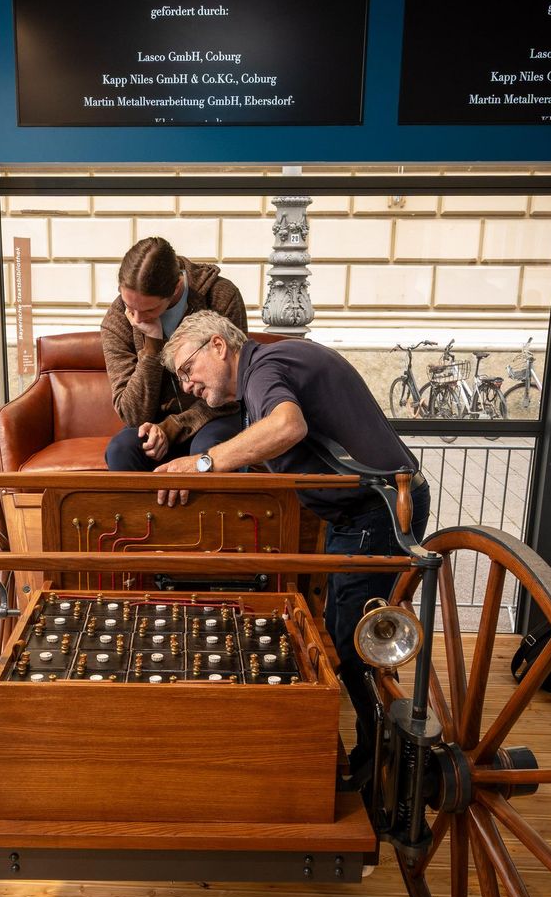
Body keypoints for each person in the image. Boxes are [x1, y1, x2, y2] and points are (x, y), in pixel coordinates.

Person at [158, 309, 432, 790]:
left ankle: (382, 773)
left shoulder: (264, 368)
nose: (187, 387)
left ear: (218, 346)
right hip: (364, 511)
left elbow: (288, 426)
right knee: (349, 639)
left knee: (352, 646)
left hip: (374, 512)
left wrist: (201, 464)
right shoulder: (270, 367)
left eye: (187, 370)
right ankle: (378, 754)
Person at [101, 236, 247, 470]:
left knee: (211, 450)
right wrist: (151, 345)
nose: (136, 319)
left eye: (149, 309)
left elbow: (232, 385)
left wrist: (172, 428)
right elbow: (133, 415)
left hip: (216, 415)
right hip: (153, 426)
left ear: (177, 286)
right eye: (130, 306)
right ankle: (138, 510)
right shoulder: (117, 320)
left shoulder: (220, 296)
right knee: (121, 448)